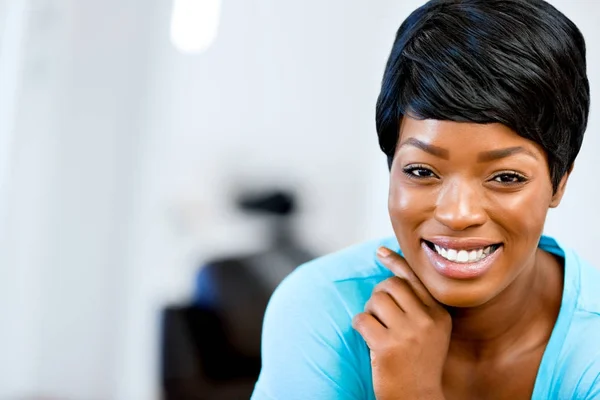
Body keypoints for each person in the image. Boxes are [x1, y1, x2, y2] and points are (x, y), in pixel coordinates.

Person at [251, 0, 600, 398]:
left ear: (560, 183)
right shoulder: (322, 309)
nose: (457, 214)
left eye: (506, 177)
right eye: (421, 171)